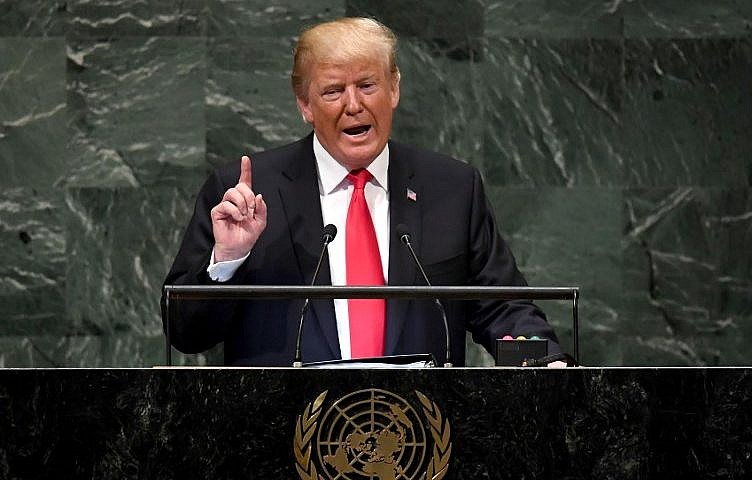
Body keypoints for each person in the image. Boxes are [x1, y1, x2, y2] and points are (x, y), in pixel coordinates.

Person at [161, 17, 561, 366]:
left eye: (368, 85)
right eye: (333, 91)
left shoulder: (452, 188)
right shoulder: (245, 192)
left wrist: (546, 364)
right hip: (284, 437)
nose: (353, 105)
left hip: (419, 437)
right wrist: (228, 260)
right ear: (305, 104)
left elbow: (505, 309)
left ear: (394, 89)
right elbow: (186, 334)